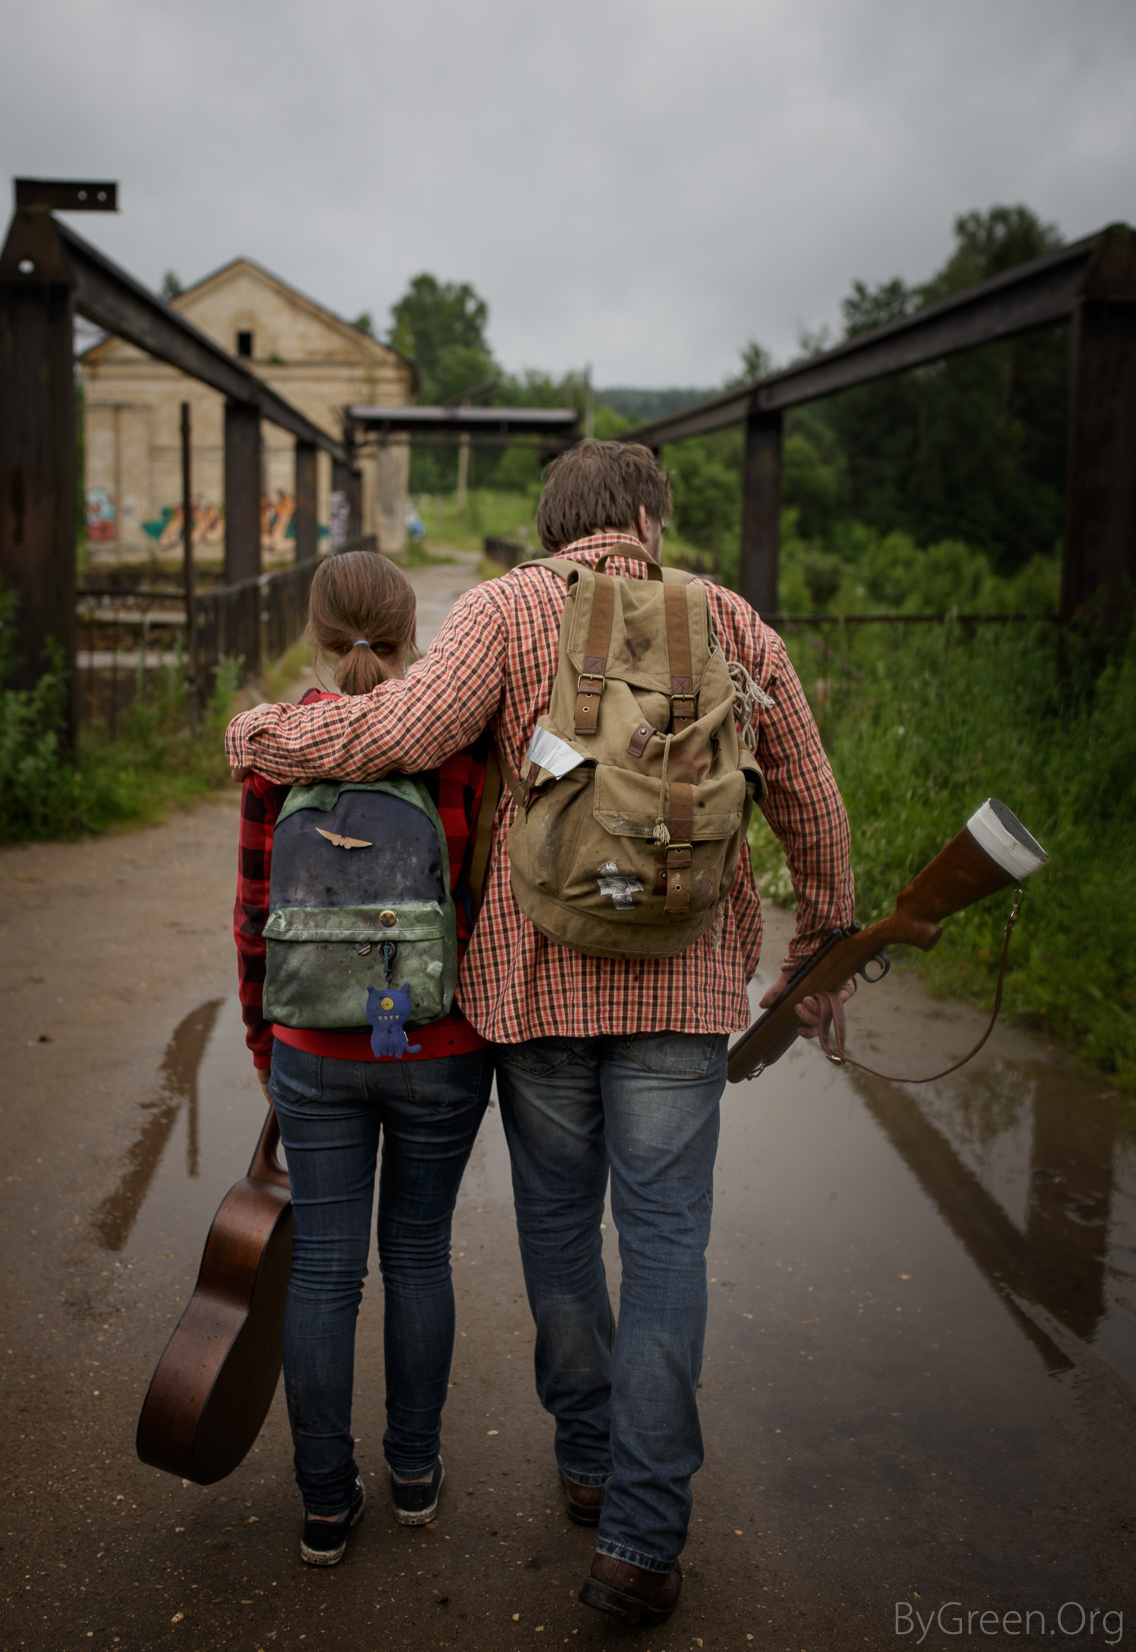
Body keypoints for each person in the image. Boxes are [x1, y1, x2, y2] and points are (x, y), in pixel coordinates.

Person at [227, 441, 854, 1622]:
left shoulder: (507, 609)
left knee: (561, 1237)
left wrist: (259, 739)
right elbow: (811, 799)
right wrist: (822, 944)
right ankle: (640, 1539)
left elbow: (394, 734)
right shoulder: (731, 621)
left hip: (536, 986)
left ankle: (584, 1459)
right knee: (666, 1248)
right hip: (683, 989)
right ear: (651, 517)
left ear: (552, 521)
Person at [233, 550, 493, 1567]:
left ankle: (326, 1503)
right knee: (419, 1256)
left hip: (314, 1044)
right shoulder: (456, 738)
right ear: (411, 636)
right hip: (436, 1040)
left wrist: (269, 1045)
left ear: (314, 633)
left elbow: (255, 912)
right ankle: (417, 1475)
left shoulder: (279, 743)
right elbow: (483, 897)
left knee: (326, 1274)